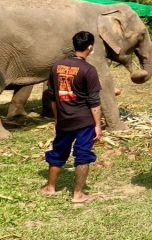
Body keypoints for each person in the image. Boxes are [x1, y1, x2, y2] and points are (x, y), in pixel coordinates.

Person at [41, 31, 102, 204]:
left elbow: (52, 96)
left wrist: (57, 117)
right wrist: (97, 124)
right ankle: (78, 194)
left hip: (63, 120)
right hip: (84, 121)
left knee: (58, 152)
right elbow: (94, 101)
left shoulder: (56, 66)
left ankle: (50, 187)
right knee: (83, 155)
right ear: (90, 47)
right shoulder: (89, 70)